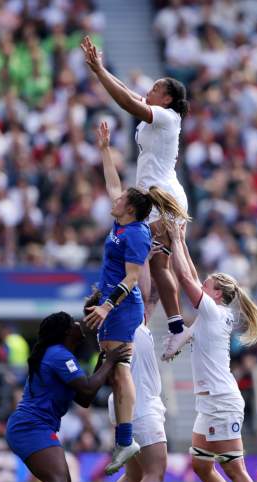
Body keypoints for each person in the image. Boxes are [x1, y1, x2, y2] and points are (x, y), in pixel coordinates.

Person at [84, 122, 187, 476]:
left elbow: (131, 277)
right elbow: (113, 184)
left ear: (129, 209)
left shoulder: (138, 235)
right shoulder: (122, 225)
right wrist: (104, 150)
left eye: (121, 200)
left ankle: (126, 439)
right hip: (113, 304)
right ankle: (125, 438)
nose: (115, 198)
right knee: (115, 369)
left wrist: (107, 304)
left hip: (124, 308)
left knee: (119, 365)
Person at [81, 36, 190, 360]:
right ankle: (155, 327)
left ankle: (175, 327)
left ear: (168, 98)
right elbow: (129, 95)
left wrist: (100, 73)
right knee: (155, 270)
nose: (149, 91)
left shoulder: (168, 118)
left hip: (163, 197)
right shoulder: (157, 116)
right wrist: (99, 69)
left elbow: (128, 104)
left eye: (156, 88)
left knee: (157, 265)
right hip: (151, 196)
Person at [168, 224, 257, 482]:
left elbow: (186, 278)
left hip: (221, 400)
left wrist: (174, 240)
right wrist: (183, 241)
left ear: (216, 293)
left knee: (235, 468)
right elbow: (191, 271)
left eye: (208, 284)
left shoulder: (213, 312)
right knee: (201, 465)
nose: (203, 284)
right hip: (209, 401)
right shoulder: (214, 312)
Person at [0, 311, 131, 482]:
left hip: (31, 425)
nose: (79, 324)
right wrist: (109, 362)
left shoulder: (59, 355)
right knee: (58, 480)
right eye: (74, 323)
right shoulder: (59, 355)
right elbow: (88, 390)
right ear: (67, 331)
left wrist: (102, 364)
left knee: (58, 481)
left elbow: (84, 399)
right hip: (31, 426)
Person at [97, 293, 166, 482]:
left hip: (131, 405)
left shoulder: (117, 325)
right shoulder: (125, 324)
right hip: (140, 405)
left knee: (134, 474)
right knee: (155, 470)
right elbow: (148, 293)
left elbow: (151, 298)